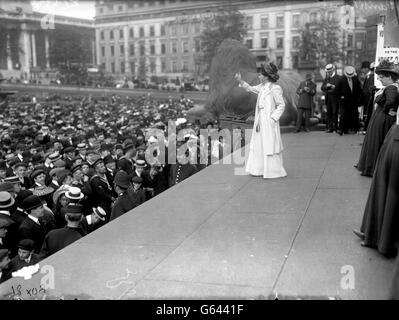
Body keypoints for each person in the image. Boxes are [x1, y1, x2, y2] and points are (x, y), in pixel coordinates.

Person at [353, 115, 399, 257]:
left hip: (395, 138)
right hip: (394, 135)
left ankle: (382, 239)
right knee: (383, 187)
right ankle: (373, 234)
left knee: (389, 193)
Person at [234, 62, 287, 179]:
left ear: (267, 76)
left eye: (261, 75)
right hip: (260, 120)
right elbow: (250, 89)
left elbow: (281, 105)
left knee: (269, 143)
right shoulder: (262, 87)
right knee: (259, 142)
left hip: (269, 121)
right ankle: (259, 169)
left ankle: (273, 170)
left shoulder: (275, 88)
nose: (259, 76)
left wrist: (273, 118)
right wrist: (240, 80)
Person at [356, 60, 399, 177]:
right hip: (381, 118)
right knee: (375, 143)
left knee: (376, 143)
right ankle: (372, 167)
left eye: (381, 77)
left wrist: (386, 110)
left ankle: (372, 168)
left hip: (382, 119)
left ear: (389, 77)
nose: (380, 79)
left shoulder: (391, 87)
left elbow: (390, 101)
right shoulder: (391, 87)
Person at [335, 66, 363, 135]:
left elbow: (359, 89)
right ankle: (341, 129)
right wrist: (341, 97)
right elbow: (336, 90)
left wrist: (359, 98)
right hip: (344, 100)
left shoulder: (355, 79)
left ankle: (353, 128)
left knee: (354, 114)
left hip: (353, 100)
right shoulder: (341, 79)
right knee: (343, 114)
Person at [321, 64, 341, 133]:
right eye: (328, 72)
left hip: (335, 98)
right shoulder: (326, 79)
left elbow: (340, 88)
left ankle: (335, 127)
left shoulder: (338, 77)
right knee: (329, 113)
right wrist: (326, 86)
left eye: (330, 71)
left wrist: (334, 87)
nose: (329, 73)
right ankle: (330, 128)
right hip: (328, 98)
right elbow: (322, 88)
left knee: (334, 112)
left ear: (333, 70)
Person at [361, 62, 376, 131]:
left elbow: (369, 89)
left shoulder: (372, 76)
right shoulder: (368, 76)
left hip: (369, 97)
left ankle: (367, 128)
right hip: (366, 98)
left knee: (368, 113)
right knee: (366, 113)